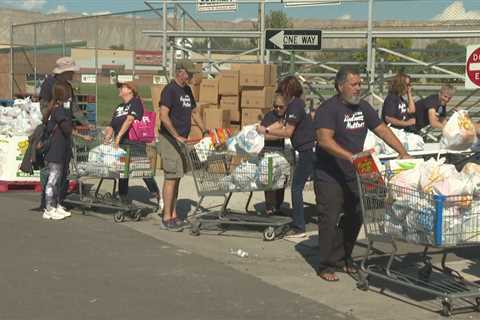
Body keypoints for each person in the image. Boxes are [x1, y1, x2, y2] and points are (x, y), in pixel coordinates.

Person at [314, 66, 410, 282]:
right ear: (340, 87)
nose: (359, 88)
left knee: (357, 214)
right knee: (329, 217)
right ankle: (326, 265)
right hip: (329, 173)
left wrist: (403, 151)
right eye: (354, 84)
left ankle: (344, 258)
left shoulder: (363, 107)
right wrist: (350, 156)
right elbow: (324, 140)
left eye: (360, 84)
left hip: (357, 169)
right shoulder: (328, 110)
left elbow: (382, 130)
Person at [257, 76, 316, 238]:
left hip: (307, 151)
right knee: (319, 184)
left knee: (296, 188)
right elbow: (282, 125)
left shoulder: (295, 105)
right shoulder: (295, 106)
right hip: (308, 149)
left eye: (283, 91)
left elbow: (288, 131)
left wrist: (266, 131)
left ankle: (299, 225)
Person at [158, 61, 207, 231]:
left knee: (177, 176)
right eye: (190, 73)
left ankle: (173, 214)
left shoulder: (187, 90)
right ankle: (166, 217)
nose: (192, 76)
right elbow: (163, 115)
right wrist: (176, 135)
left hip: (182, 141)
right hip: (170, 140)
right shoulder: (170, 90)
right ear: (180, 72)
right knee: (171, 176)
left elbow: (194, 112)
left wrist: (205, 130)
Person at [38, 57, 91, 211]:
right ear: (64, 72)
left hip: (66, 132)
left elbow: (74, 109)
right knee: (51, 170)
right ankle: (47, 202)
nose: (73, 75)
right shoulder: (49, 84)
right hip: (54, 132)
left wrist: (86, 123)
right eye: (71, 72)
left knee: (64, 168)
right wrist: (52, 115)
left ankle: (59, 200)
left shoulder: (68, 86)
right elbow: (43, 108)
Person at [103, 82, 160, 205]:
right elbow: (112, 124)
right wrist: (108, 135)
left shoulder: (135, 102)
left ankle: (157, 196)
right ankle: (123, 198)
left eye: (122, 87)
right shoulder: (119, 107)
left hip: (134, 143)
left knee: (143, 170)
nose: (120, 89)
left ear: (130, 90)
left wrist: (117, 137)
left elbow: (130, 119)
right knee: (123, 171)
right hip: (122, 143)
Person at [42, 83, 74, 220]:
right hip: (56, 150)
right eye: (69, 93)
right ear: (63, 95)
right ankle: (49, 208)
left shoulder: (55, 109)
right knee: (53, 180)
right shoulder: (59, 110)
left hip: (59, 150)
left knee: (57, 179)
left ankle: (55, 205)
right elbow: (66, 128)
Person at [260, 93, 287, 215]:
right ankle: (270, 207)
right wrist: (280, 132)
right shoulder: (269, 116)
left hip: (282, 153)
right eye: (276, 106)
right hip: (269, 153)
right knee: (270, 181)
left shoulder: (288, 117)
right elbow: (263, 135)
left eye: (281, 107)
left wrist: (275, 132)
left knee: (281, 182)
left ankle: (278, 206)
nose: (278, 109)